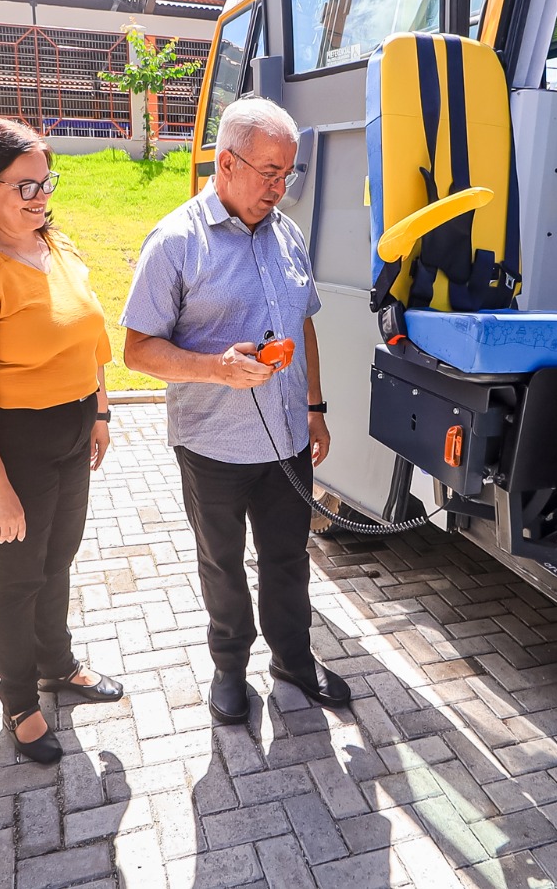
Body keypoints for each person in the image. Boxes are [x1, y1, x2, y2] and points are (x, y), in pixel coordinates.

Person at [121, 95, 351, 724]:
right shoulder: (175, 242)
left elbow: (303, 326)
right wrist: (215, 369)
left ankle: (293, 660)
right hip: (213, 446)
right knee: (222, 565)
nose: (280, 188)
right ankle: (229, 668)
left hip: (287, 440)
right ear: (226, 164)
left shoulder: (287, 234)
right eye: (268, 172)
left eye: (288, 174)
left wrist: (315, 407)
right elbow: (137, 351)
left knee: (289, 559)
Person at [0, 118, 122, 765]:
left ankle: (56, 664)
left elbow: (91, 337)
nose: (40, 197)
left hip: (71, 428)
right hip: (9, 445)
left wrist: (99, 412)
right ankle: (19, 702)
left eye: (46, 182)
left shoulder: (53, 245)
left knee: (57, 559)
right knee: (16, 575)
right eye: (24, 186)